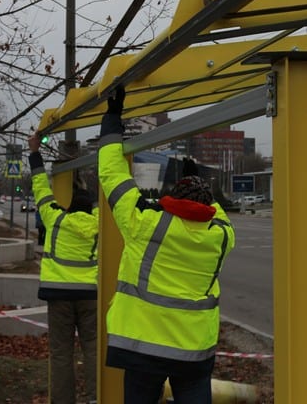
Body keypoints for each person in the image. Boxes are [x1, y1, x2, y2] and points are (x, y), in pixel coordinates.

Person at [97, 85, 236, 404]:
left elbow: (111, 174)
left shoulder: (144, 223)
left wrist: (112, 121)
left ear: (172, 199)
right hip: (193, 352)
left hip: (142, 348)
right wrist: (199, 181)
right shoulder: (222, 237)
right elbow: (219, 213)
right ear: (209, 208)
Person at [28, 132, 99, 404]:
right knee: (92, 349)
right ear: (91, 210)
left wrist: (35, 154)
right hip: (89, 296)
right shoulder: (98, 226)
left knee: (61, 353)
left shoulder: (55, 219)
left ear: (69, 208)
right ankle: (94, 398)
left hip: (58, 295)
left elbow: (40, 187)